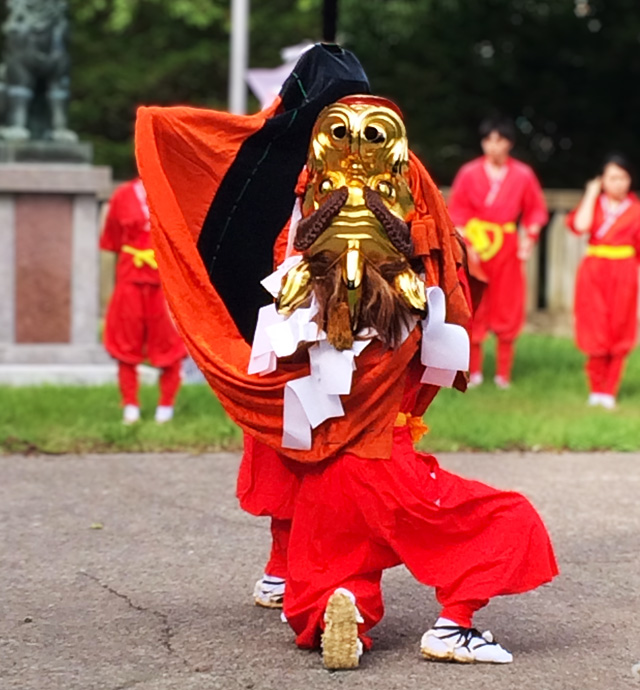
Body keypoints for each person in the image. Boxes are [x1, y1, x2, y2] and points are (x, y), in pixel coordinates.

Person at [136, 44, 557, 670]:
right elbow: (441, 272)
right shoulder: (405, 172)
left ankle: (327, 602)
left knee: (314, 521)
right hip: (381, 431)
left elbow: (286, 259)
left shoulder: (304, 173)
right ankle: (452, 623)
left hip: (314, 402)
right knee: (497, 520)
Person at [448, 116, 549, 388]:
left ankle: (504, 374)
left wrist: (529, 236)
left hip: (506, 244)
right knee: (476, 303)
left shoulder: (523, 175)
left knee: (508, 303)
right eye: (488, 140)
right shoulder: (469, 173)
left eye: (500, 140)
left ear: (509, 144)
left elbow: (536, 211)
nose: (494, 146)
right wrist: (467, 243)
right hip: (476, 242)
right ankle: (476, 371)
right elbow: (457, 211)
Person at [100, 178, 187, 424]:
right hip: (131, 278)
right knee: (125, 341)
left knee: (170, 341)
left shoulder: (174, 192)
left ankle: (166, 406)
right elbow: (112, 241)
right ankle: (130, 405)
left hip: (166, 280)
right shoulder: (123, 195)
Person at [565, 155, 640, 409]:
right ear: (602, 180)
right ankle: (595, 389)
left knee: (619, 327)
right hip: (594, 272)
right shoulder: (595, 205)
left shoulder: (636, 209)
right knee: (594, 326)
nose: (618, 183)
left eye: (623, 177)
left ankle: (610, 390)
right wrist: (591, 193)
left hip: (624, 273)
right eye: (612, 178)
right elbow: (580, 225)